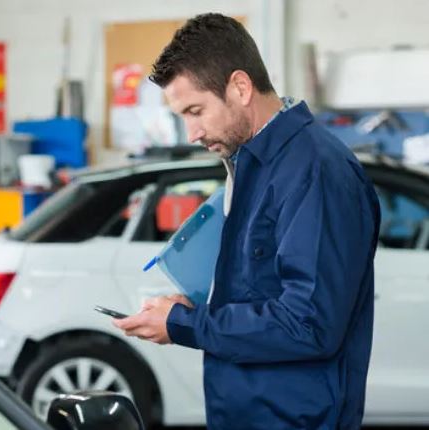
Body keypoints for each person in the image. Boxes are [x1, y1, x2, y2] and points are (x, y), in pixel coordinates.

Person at [113, 13, 381, 430]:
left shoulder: (315, 172)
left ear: (240, 87)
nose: (191, 133)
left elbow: (307, 324)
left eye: (196, 110)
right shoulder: (252, 165)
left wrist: (185, 325)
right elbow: (263, 291)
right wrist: (197, 308)